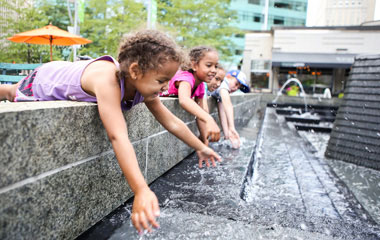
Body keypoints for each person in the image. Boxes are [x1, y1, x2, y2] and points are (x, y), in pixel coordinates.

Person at [0, 30, 221, 235]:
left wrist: (200, 147)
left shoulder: (143, 84)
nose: (165, 87)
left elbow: (171, 122)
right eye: (161, 80)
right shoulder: (108, 80)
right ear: (135, 70)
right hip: (44, 79)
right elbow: (118, 135)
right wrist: (141, 189)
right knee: (10, 92)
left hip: (63, 71)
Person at [161, 46, 221, 146]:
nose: (214, 70)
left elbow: (201, 113)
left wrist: (205, 144)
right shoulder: (186, 78)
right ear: (194, 65)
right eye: (209, 65)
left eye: (216, 66)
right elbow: (184, 100)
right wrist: (209, 119)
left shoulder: (201, 85)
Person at [211, 69, 250, 149]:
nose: (236, 88)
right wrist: (232, 128)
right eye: (236, 84)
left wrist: (227, 135)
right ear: (228, 77)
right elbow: (228, 104)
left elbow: (222, 111)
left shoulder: (222, 91)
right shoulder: (223, 83)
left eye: (238, 87)